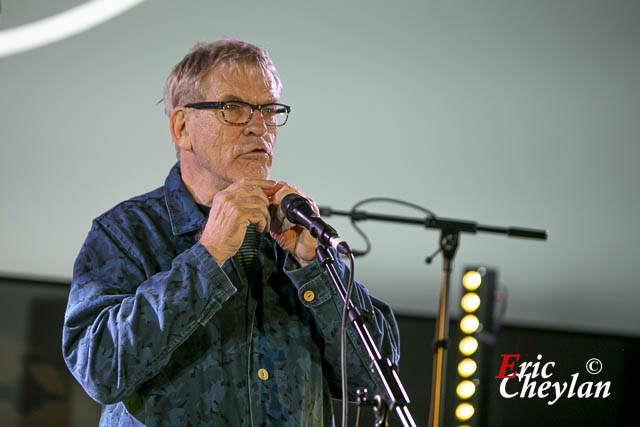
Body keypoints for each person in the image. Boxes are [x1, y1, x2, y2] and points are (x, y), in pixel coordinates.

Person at [62, 39, 399, 426]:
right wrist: (207, 256)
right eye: (233, 108)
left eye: (269, 110)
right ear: (182, 126)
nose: (259, 127)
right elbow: (99, 368)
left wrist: (315, 268)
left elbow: (378, 380)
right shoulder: (126, 231)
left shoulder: (296, 236)